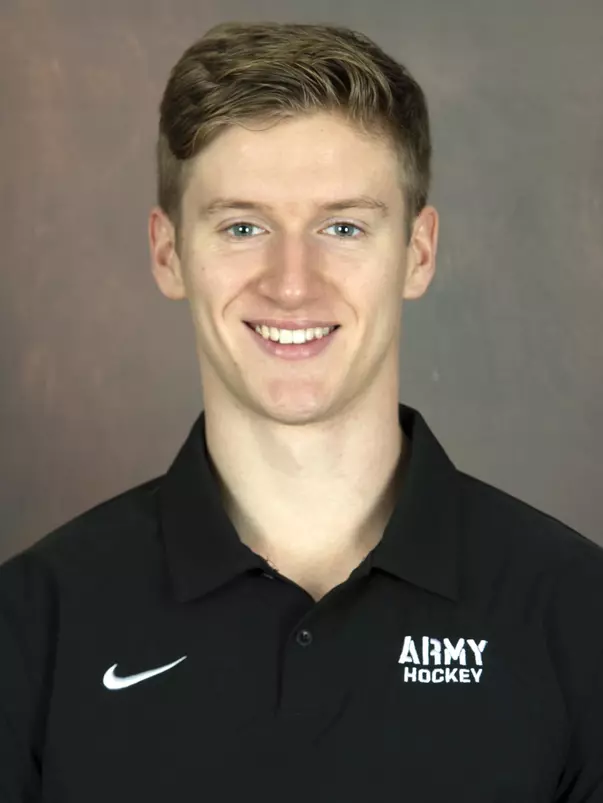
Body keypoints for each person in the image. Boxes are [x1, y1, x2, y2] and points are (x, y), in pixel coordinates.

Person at [1, 20, 602, 803]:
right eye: (243, 226)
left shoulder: (577, 615)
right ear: (168, 252)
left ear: (417, 253)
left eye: (342, 226)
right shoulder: (30, 626)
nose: (292, 282)